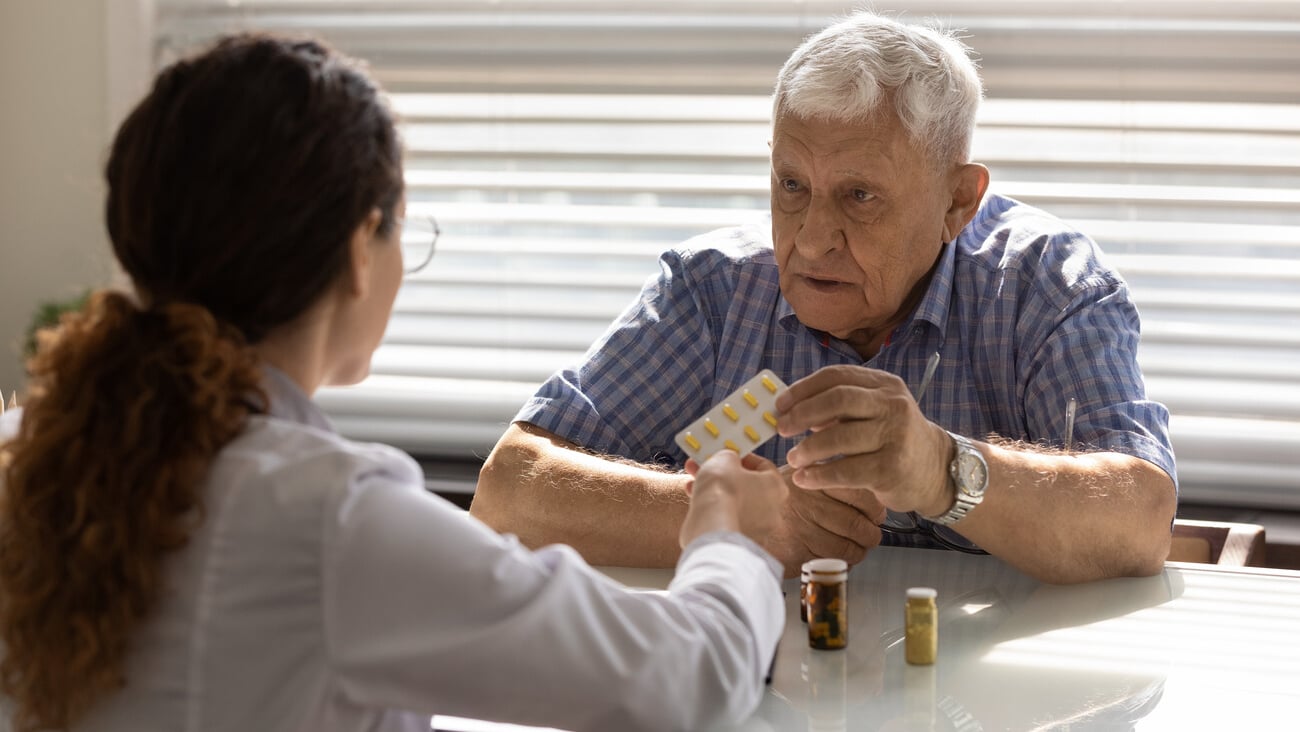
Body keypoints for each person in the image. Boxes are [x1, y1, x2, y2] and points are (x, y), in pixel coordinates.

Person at [0, 34, 789, 732]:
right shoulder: (328, 520)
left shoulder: (24, 453)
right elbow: (687, 682)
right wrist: (727, 532)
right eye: (402, 228)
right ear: (357, 251)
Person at [470, 10, 1178, 585]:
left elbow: (1142, 521)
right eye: (791, 186)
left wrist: (939, 469)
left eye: (859, 196)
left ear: (958, 201)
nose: (810, 242)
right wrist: (743, 523)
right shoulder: (715, 287)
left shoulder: (1044, 285)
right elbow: (508, 494)